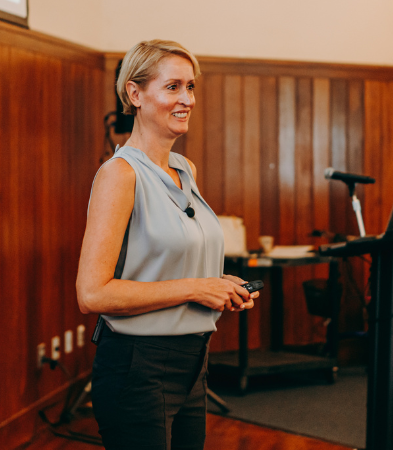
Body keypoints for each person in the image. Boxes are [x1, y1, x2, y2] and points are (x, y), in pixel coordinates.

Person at [75, 39, 260, 450]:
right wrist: (197, 288)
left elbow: (172, 262)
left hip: (194, 363)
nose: (187, 99)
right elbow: (91, 294)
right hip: (138, 368)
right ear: (134, 94)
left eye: (190, 87)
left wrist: (219, 286)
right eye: (173, 87)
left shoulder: (184, 168)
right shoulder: (119, 175)